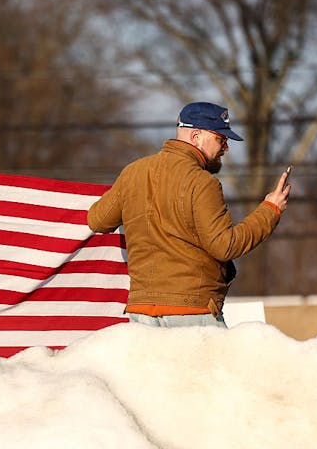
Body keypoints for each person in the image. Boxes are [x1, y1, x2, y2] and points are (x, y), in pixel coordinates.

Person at [87, 101, 291, 328]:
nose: (226, 148)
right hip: (192, 312)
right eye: (220, 139)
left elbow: (97, 220)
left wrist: (130, 192)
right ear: (196, 136)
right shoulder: (202, 183)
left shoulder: (132, 173)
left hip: (141, 314)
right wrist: (270, 210)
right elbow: (225, 246)